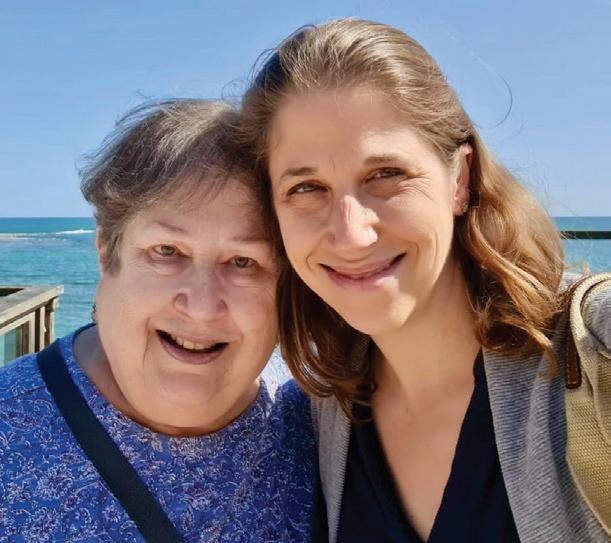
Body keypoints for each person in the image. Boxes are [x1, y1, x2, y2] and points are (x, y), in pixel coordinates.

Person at [239, 19, 611, 542]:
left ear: (459, 179)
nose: (352, 234)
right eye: (306, 188)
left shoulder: (597, 352)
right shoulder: (321, 414)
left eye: (385, 174)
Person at [0, 99, 315, 542]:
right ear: (107, 252)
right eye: (167, 251)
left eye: (243, 261)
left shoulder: (324, 426)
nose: (201, 306)